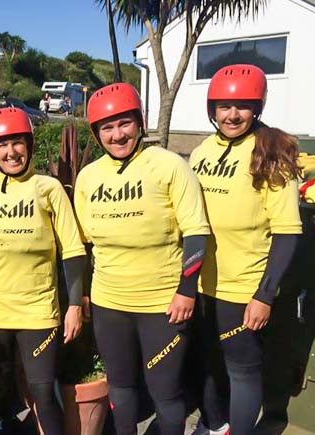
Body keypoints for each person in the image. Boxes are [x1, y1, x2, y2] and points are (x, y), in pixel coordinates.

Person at [74, 83, 210, 435]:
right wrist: (84, 293)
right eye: (107, 127)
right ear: (96, 133)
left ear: (140, 122)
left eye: (125, 123)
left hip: (162, 303)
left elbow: (196, 231)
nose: (117, 134)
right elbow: (85, 245)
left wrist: (187, 290)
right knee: (120, 386)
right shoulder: (88, 177)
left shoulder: (169, 166)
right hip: (109, 302)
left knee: (164, 391)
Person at [188, 64, 302, 435]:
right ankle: (213, 425)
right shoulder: (203, 150)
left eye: (242, 106)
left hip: (243, 287)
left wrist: (265, 295)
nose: (232, 115)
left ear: (258, 107)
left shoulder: (269, 151)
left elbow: (287, 231)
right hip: (201, 283)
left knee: (242, 369)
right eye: (223, 106)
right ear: (212, 109)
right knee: (209, 362)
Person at [0, 107, 86, 435]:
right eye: (1, 145)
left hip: (39, 313)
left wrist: (74, 304)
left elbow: (72, 249)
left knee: (43, 393)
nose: (11, 152)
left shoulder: (48, 188)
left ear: (29, 145)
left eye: (17, 142)